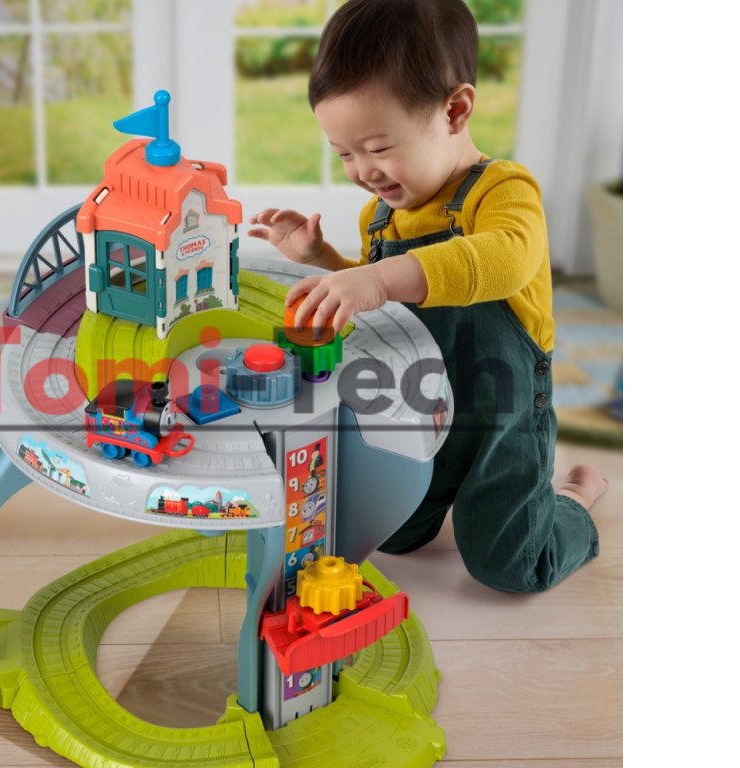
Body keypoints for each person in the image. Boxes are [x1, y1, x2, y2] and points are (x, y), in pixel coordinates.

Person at [248, 0, 607, 593]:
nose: (363, 171)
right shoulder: (381, 216)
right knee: (393, 532)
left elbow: (502, 260)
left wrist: (377, 279)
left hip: (502, 410)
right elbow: (384, 301)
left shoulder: (502, 190)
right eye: (344, 154)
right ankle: (451, 494)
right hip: (419, 402)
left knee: (513, 566)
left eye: (377, 147)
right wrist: (326, 262)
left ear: (455, 110)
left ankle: (570, 500)